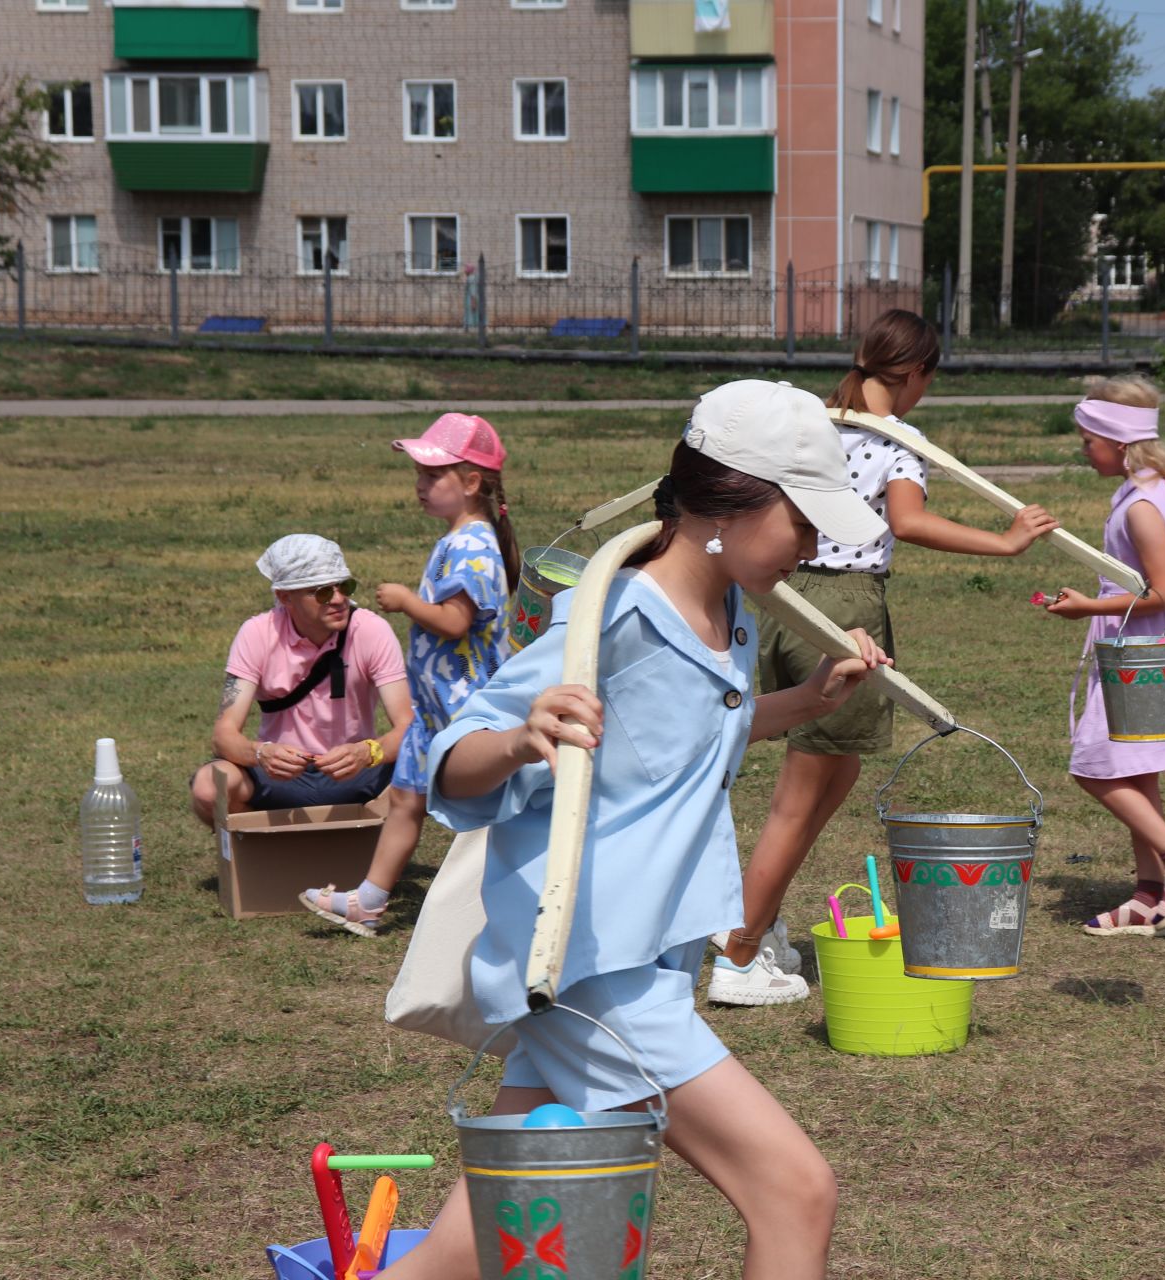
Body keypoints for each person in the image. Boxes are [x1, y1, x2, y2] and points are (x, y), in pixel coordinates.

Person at [376, 380, 890, 1280]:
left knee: (485, 1228)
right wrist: (520, 739)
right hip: (591, 968)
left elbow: (695, 730)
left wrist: (809, 700)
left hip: (641, 952)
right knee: (795, 1190)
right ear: (731, 501)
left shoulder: (726, 608)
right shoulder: (615, 616)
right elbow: (455, 754)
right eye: (803, 522)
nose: (813, 546)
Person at [713, 309, 1059, 1005]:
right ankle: (737, 955)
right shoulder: (897, 438)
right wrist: (1008, 541)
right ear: (919, 373)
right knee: (799, 799)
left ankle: (759, 922)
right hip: (843, 612)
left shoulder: (812, 421)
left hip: (781, 600)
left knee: (824, 784)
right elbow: (908, 521)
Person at [299, 414, 522, 937]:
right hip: (433, 711)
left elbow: (456, 621)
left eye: (432, 476)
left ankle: (512, 906)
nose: (419, 487)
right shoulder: (458, 539)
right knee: (405, 800)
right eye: (418, 475)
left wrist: (406, 602)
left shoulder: (473, 546)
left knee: (492, 813)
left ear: (470, 483)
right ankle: (369, 903)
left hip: (466, 710)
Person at [1041, 376, 1165, 936]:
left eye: (1088, 439)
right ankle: (1150, 895)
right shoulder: (1155, 486)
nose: (1083, 449)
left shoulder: (1141, 507)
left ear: (1119, 443)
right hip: (1141, 648)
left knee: (1093, 767)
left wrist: (1089, 606)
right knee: (1137, 771)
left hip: (1141, 657)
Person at [188, 535, 412, 827]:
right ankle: (267, 857)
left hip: (356, 770)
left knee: (433, 760)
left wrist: (368, 752)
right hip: (281, 776)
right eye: (321, 592)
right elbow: (223, 735)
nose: (339, 599)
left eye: (344, 586)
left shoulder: (371, 630)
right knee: (208, 788)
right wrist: (261, 753)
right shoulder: (257, 633)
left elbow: (408, 726)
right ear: (284, 597)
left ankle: (377, 852)